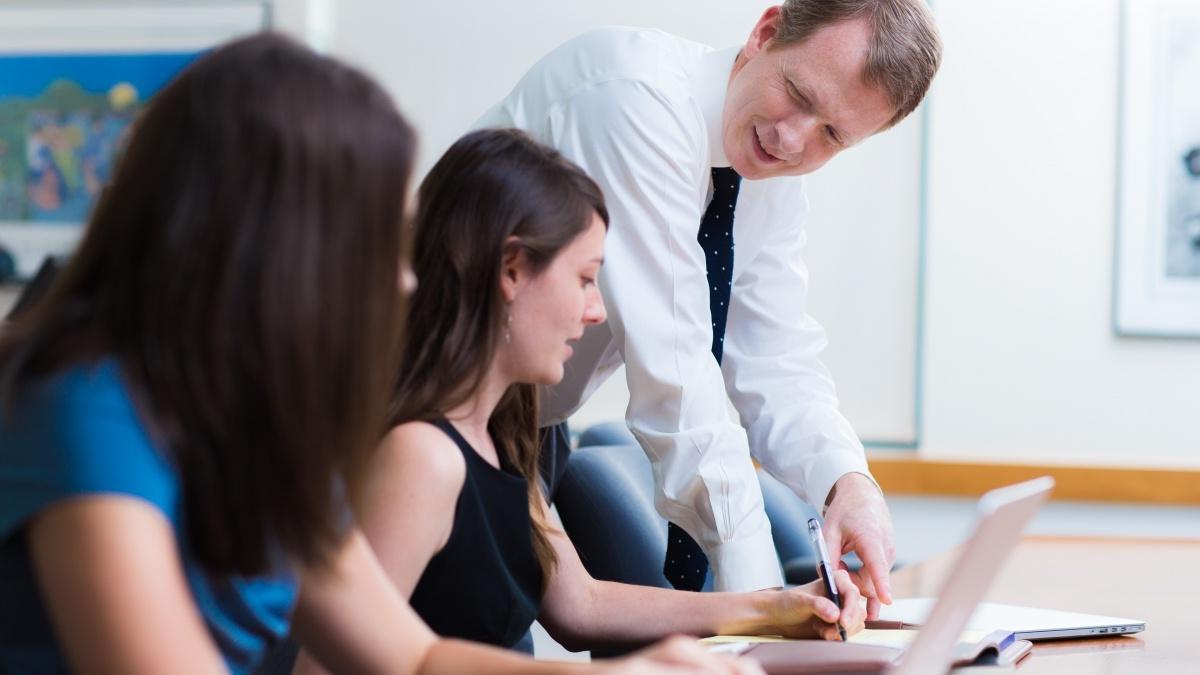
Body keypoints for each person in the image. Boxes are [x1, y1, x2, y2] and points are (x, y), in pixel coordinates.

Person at [0, 34, 750, 675]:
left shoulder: (268, 418)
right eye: (375, 240)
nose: (402, 275)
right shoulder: (89, 405)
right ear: (278, 242)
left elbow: (412, 656)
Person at [290, 128, 866, 663]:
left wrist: (776, 608)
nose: (596, 312)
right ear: (511, 270)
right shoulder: (424, 456)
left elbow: (580, 605)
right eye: (586, 278)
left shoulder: (502, 436)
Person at [475, 0, 942, 605]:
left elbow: (774, 359)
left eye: (833, 134)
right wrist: (763, 607)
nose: (792, 139)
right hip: (417, 410)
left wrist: (848, 483)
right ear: (765, 32)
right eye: (798, 93)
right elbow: (676, 379)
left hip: (527, 426)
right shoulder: (633, 99)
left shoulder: (768, 184)